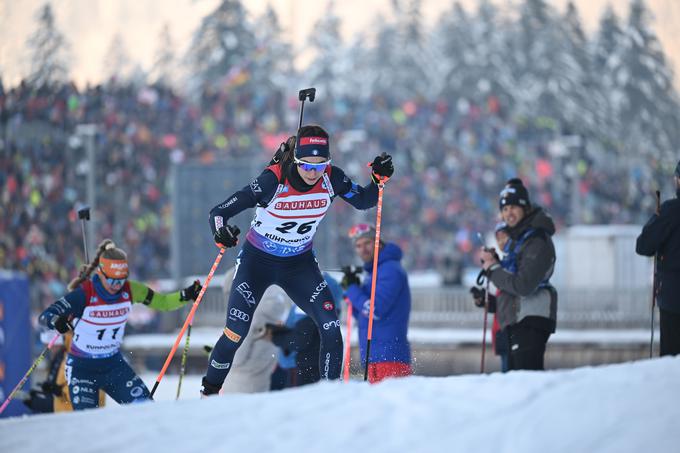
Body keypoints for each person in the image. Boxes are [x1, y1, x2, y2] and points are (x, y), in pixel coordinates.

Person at [200, 125, 394, 396]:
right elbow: (219, 212)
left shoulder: (332, 179)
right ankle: (208, 392)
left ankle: (331, 396)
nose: (313, 173)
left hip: (298, 264)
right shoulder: (273, 181)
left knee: (330, 326)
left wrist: (377, 180)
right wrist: (220, 232)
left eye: (320, 165)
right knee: (236, 331)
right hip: (258, 262)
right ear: (296, 160)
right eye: (306, 166)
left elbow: (363, 201)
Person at [38, 239, 202, 410]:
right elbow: (46, 316)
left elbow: (164, 303)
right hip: (82, 368)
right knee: (88, 421)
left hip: (113, 365)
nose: (117, 286)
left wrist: (186, 294)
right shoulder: (85, 294)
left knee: (147, 410)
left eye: (121, 280)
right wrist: (56, 321)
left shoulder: (131, 290)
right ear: (101, 274)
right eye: (112, 281)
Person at [479, 178, 557, 371]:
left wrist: (493, 268)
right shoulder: (521, 240)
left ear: (525, 207)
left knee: (525, 386)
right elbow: (514, 287)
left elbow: (523, 285)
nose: (508, 213)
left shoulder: (536, 240)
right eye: (505, 209)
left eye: (513, 207)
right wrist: (489, 301)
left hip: (529, 322)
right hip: (516, 321)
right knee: (515, 387)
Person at [341, 223, 412, 383]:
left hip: (389, 357)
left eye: (367, 243)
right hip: (374, 357)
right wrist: (351, 293)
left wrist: (353, 289)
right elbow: (363, 316)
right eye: (358, 246)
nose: (363, 249)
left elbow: (375, 310)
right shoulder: (374, 273)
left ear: (378, 243)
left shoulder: (390, 270)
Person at [219, 266, 290, 394]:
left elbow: (237, 357)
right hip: (263, 376)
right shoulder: (274, 303)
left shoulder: (247, 314)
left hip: (240, 385)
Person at [635, 160, 680, 356]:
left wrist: (657, 218)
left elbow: (643, 245)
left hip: (674, 299)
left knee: (672, 361)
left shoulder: (671, 211)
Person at [470, 222, 510, 372]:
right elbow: (504, 302)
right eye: (498, 238)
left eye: (505, 237)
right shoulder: (505, 263)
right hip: (501, 331)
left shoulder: (511, 264)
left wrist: (493, 267)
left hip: (509, 330)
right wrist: (485, 300)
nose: (502, 242)